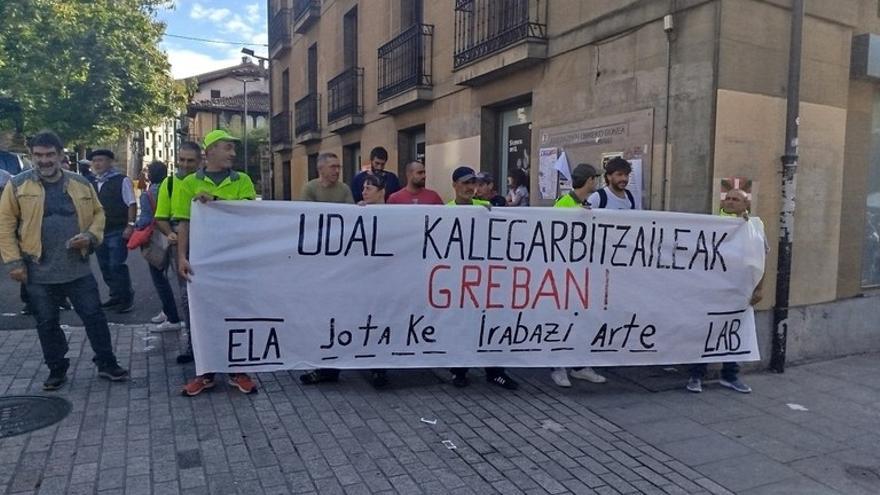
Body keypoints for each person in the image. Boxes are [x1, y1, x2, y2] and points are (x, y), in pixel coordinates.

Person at [0, 130, 128, 390]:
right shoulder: (17, 185)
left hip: (77, 269)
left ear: (60, 155)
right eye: (38, 155)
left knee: (94, 317)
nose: (44, 160)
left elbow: (98, 213)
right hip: (38, 271)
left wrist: (91, 236)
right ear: (31, 156)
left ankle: (106, 363)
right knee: (46, 322)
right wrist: (13, 262)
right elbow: (5, 224)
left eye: (49, 155)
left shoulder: (80, 183)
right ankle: (57, 369)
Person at [174, 130, 258, 396]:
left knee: (236, 314)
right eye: (227, 148)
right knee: (203, 316)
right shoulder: (188, 184)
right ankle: (206, 372)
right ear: (209, 152)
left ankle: (238, 370)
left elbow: (247, 213)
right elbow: (183, 223)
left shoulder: (242, 180)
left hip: (235, 260)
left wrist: (217, 202)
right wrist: (181, 257)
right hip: (202, 261)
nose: (233, 153)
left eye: (233, 148)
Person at [447, 166, 518, 390]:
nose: (470, 187)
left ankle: (495, 372)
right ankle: (459, 371)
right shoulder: (444, 211)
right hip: (459, 281)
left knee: (490, 324)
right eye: (465, 183)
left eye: (473, 183)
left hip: (486, 280)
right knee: (461, 326)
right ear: (455, 185)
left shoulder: (485, 208)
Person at [687, 188, 762, 394]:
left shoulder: (754, 228)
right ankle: (696, 375)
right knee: (705, 331)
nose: (729, 202)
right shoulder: (713, 225)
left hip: (739, 290)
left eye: (735, 199)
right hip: (712, 289)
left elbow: (761, 260)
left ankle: (730, 375)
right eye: (727, 199)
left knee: (733, 331)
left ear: (746, 204)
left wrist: (759, 288)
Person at [548, 163, 608, 388]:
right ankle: (558, 367)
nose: (597, 182)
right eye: (595, 178)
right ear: (589, 180)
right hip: (565, 273)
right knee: (563, 320)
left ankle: (579, 365)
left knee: (581, 320)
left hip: (582, 273)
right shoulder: (565, 204)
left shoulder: (584, 204)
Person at [300, 153, 355, 385]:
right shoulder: (309, 188)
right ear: (320, 169)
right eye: (333, 166)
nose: (337, 170)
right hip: (318, 262)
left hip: (340, 261)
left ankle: (333, 366)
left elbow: (351, 217)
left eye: (339, 166)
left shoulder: (344, 189)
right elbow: (308, 219)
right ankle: (321, 366)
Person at [155, 141, 202, 360]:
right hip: (181, 246)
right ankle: (193, 346)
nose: (185, 164)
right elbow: (161, 217)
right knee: (186, 297)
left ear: (200, 161)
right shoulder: (170, 183)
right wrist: (169, 233)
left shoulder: (205, 181)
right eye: (181, 160)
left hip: (207, 242)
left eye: (190, 160)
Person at [135, 161, 183, 333]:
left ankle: (172, 316)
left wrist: (136, 228)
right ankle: (167, 311)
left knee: (159, 278)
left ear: (150, 175)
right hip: (177, 235)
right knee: (180, 279)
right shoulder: (172, 186)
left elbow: (146, 220)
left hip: (158, 239)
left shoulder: (148, 194)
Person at [89, 149, 137, 313]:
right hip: (99, 231)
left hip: (117, 229)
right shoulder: (92, 183)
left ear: (110, 162)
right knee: (104, 266)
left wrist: (130, 225)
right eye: (95, 161)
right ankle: (115, 295)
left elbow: (131, 203)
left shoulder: (121, 180)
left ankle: (126, 298)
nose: (97, 164)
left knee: (116, 265)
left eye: (101, 160)